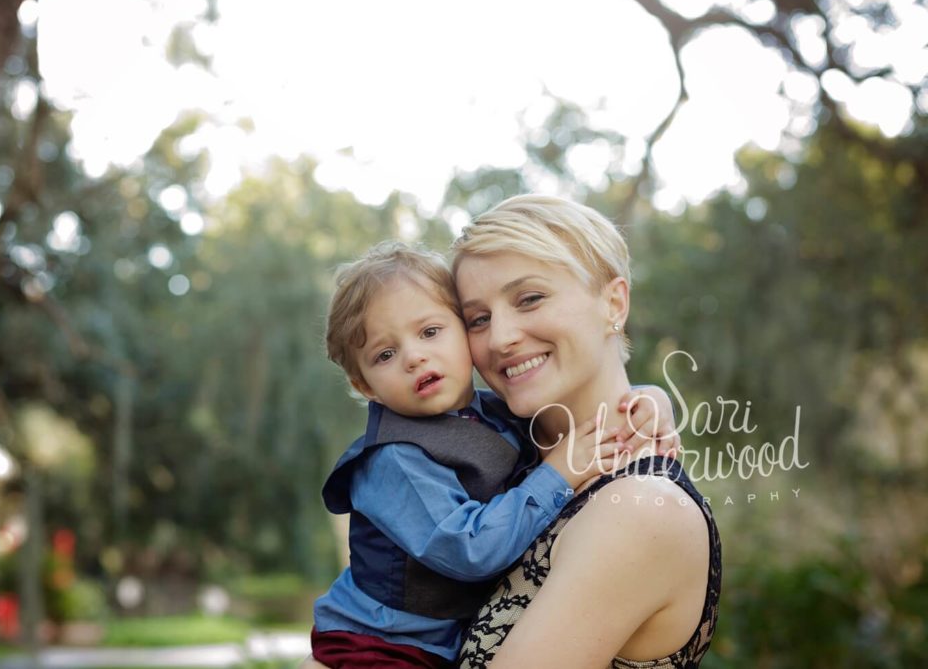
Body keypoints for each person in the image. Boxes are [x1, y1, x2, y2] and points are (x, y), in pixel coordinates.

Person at [307, 241, 680, 668]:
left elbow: (583, 419)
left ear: (465, 335)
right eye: (385, 354)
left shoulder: (494, 414)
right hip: (381, 645)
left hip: (439, 644)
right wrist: (558, 473)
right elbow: (470, 548)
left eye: (430, 332)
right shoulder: (391, 459)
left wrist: (650, 399)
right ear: (366, 385)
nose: (414, 357)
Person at [452, 194, 720, 668]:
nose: (500, 338)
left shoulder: (640, 511)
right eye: (478, 319)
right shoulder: (500, 457)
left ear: (613, 303)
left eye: (530, 298)